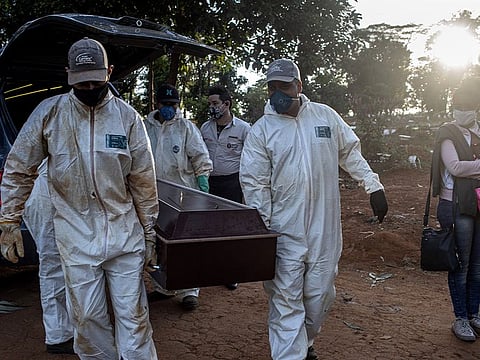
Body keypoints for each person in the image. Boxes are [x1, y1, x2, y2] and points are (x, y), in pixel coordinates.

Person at [0, 37, 159, 359]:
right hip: (75, 236)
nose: (89, 87)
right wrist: (9, 221)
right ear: (68, 74)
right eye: (81, 81)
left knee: (133, 317)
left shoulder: (128, 119)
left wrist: (150, 232)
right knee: (87, 319)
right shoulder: (50, 114)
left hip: (124, 233)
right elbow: (19, 168)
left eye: (96, 81)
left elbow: (143, 181)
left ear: (110, 72)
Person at [239, 58, 388, 360]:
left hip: (325, 227)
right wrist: (261, 230)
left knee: (320, 295)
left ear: (299, 86)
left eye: (284, 86)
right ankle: (291, 354)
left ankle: (305, 342)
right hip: (282, 229)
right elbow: (255, 183)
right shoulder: (262, 131)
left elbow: (350, 152)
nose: (277, 93)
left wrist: (373, 185)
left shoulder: (325, 117)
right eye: (272, 88)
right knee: (285, 299)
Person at [144, 83, 212, 310]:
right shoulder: (146, 127)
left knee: (184, 243)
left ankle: (189, 290)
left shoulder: (185, 128)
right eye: (166, 104)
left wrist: (202, 180)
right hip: (153, 195)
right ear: (157, 103)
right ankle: (163, 287)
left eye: (174, 104)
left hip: (183, 194)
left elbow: (200, 156)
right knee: (158, 242)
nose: (170, 109)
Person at [431, 78, 480, 342]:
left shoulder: (479, 131)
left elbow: (466, 167)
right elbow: (455, 167)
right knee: (460, 265)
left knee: (478, 265)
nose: (461, 111)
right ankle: (460, 317)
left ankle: (475, 315)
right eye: (457, 106)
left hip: (478, 203)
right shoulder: (447, 133)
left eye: (466, 106)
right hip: (456, 205)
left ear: (475, 108)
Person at [200, 85, 251, 290]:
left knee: (232, 228)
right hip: (210, 183)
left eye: (215, 103)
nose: (212, 108)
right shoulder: (205, 128)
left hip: (232, 183)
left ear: (226, 104)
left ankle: (232, 272)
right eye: (210, 104)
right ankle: (213, 268)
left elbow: (251, 159)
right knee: (211, 228)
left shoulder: (243, 129)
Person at [22, 159, 74, 355]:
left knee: (61, 267)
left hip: (52, 196)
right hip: (46, 200)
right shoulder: (49, 131)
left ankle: (65, 330)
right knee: (53, 267)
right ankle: (59, 335)